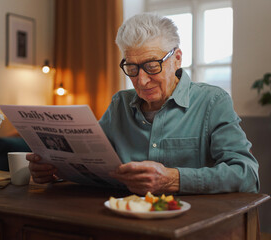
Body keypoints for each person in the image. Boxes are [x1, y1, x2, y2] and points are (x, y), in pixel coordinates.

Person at [26, 13, 259, 195]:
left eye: (151, 65)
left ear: (177, 58)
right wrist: (54, 171)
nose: (141, 80)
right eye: (132, 68)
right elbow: (91, 166)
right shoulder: (119, 104)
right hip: (122, 222)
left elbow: (247, 174)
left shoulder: (213, 102)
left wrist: (172, 179)